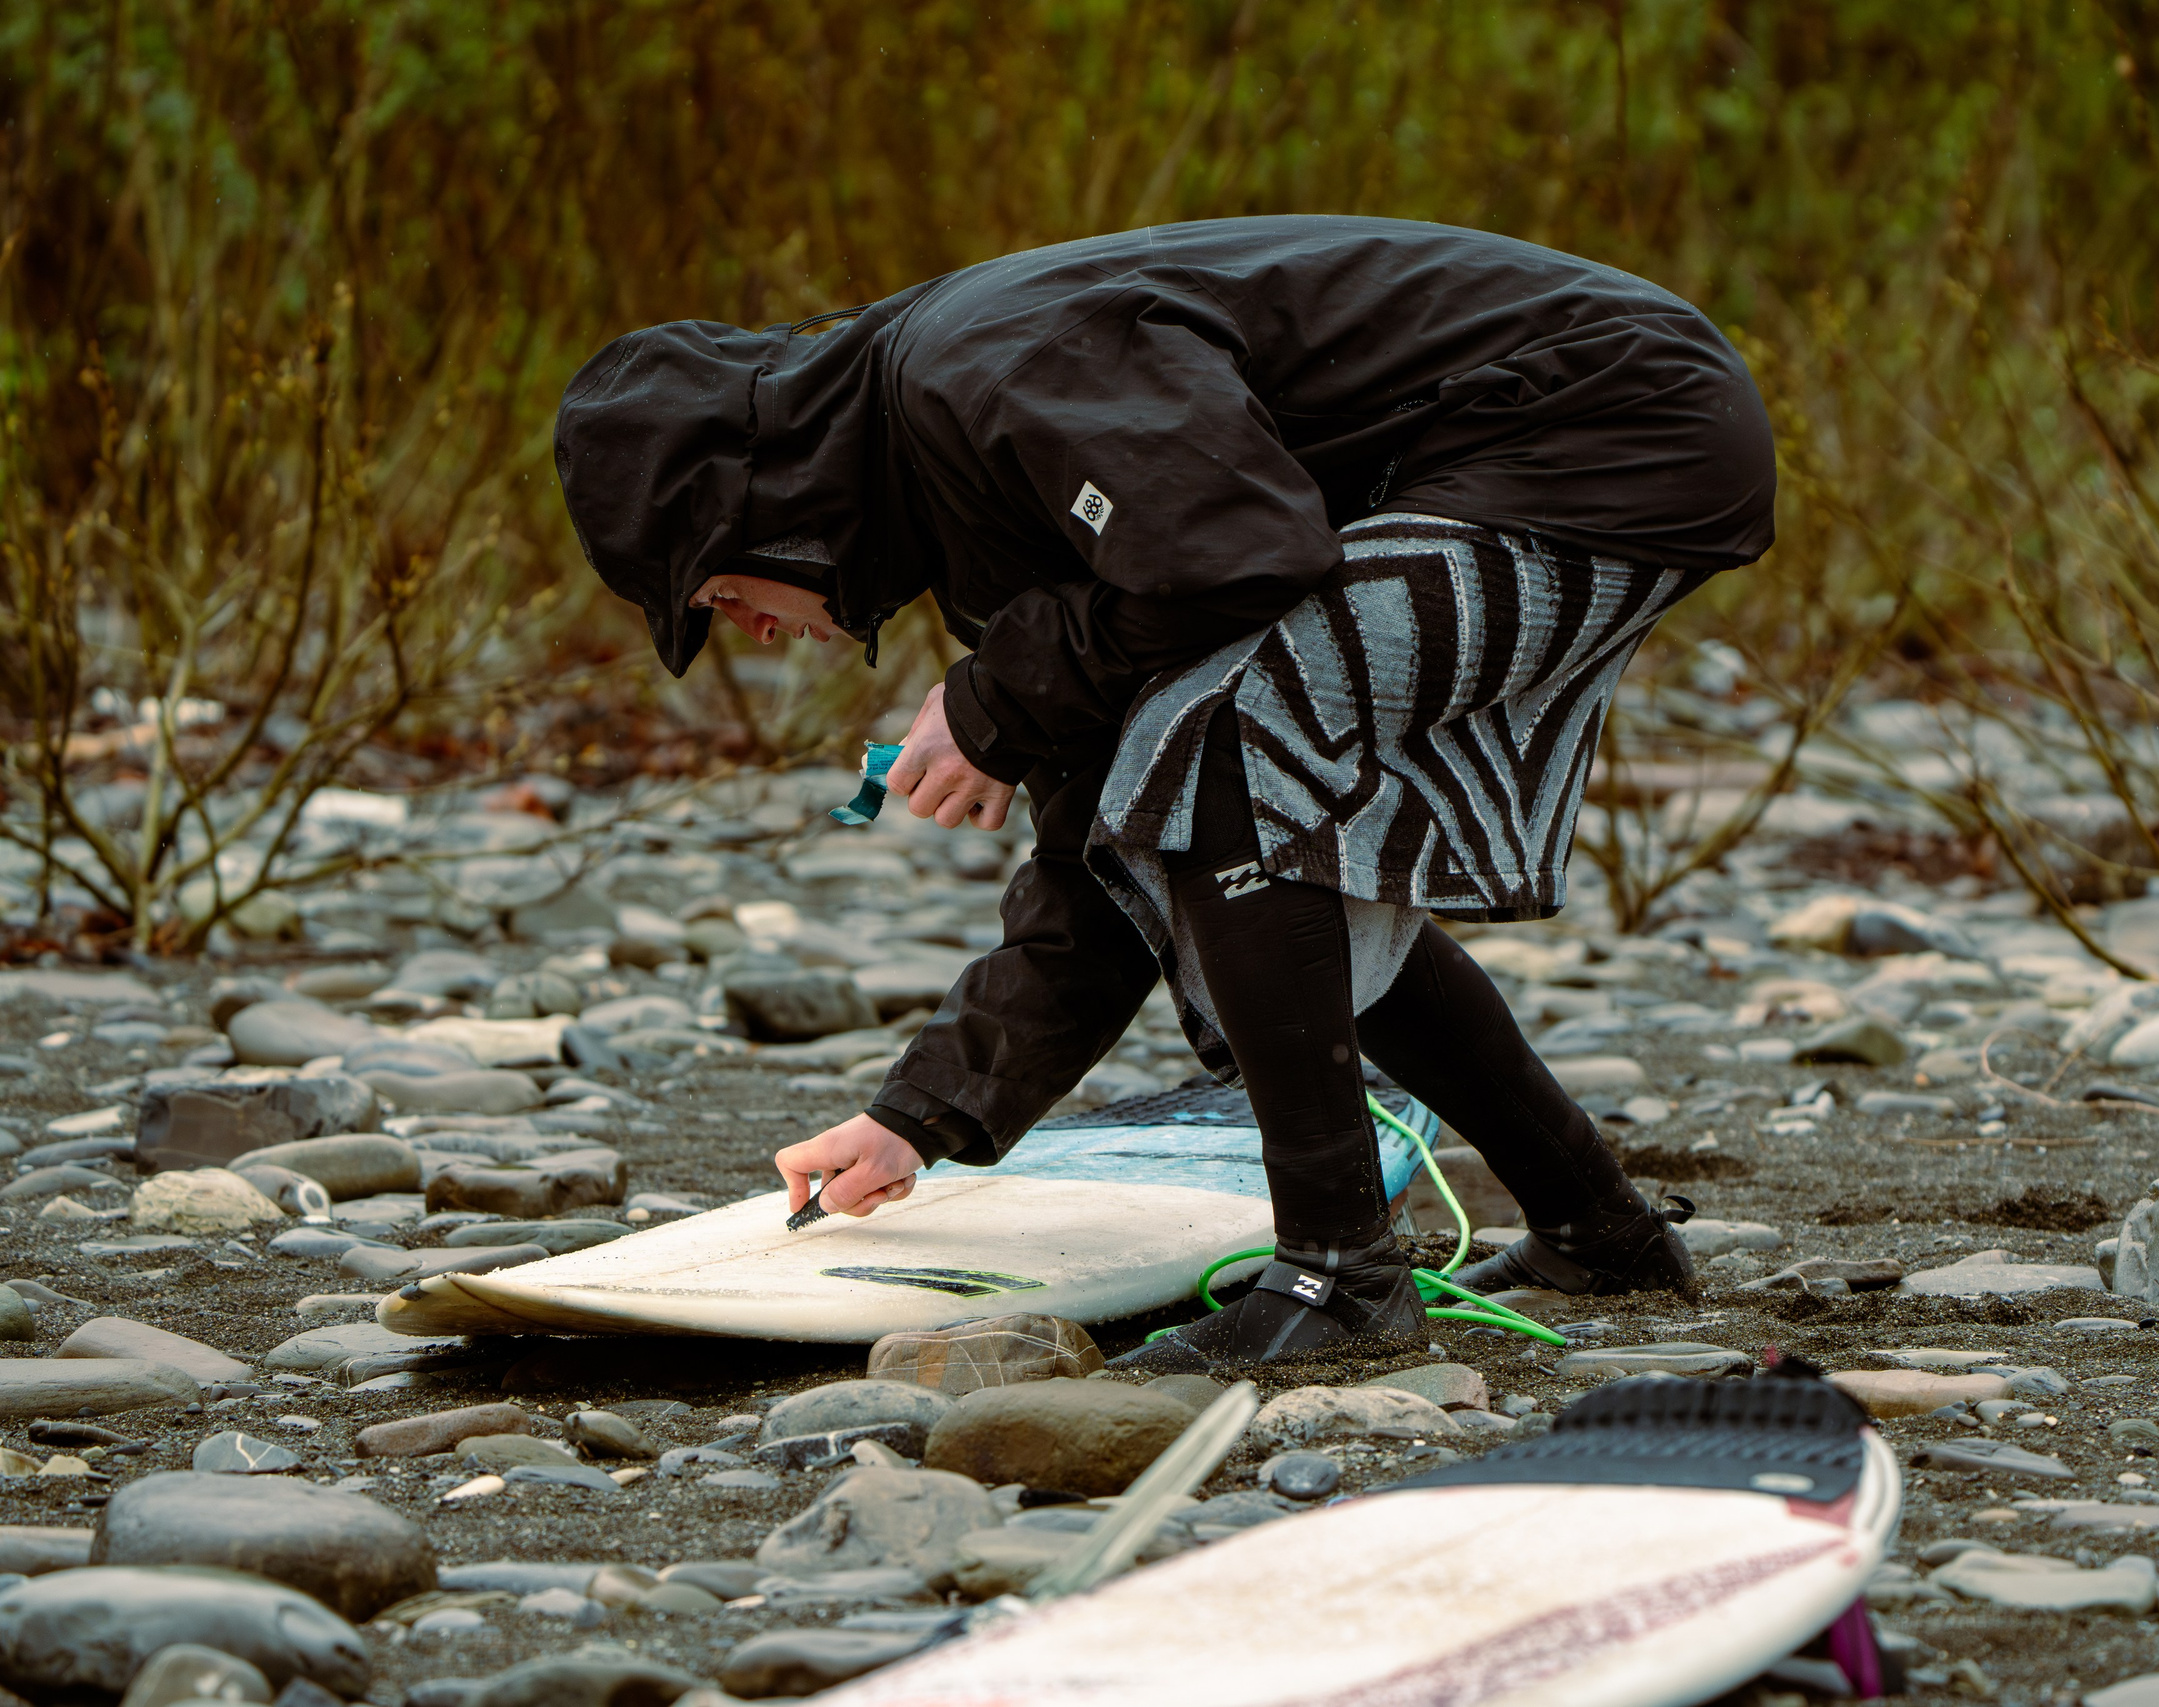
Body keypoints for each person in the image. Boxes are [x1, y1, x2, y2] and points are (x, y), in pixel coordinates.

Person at [553, 216, 1774, 1370]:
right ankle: (1594, 1232)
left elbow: (1242, 552)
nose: (757, 631)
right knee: (1229, 809)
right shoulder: (973, 508)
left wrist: (991, 703)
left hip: (1613, 430)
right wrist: (918, 1117)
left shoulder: (983, 368)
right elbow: (1106, 855)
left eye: (721, 596)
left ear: (758, 504)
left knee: (1228, 748)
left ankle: (1340, 1278)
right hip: (1556, 445)